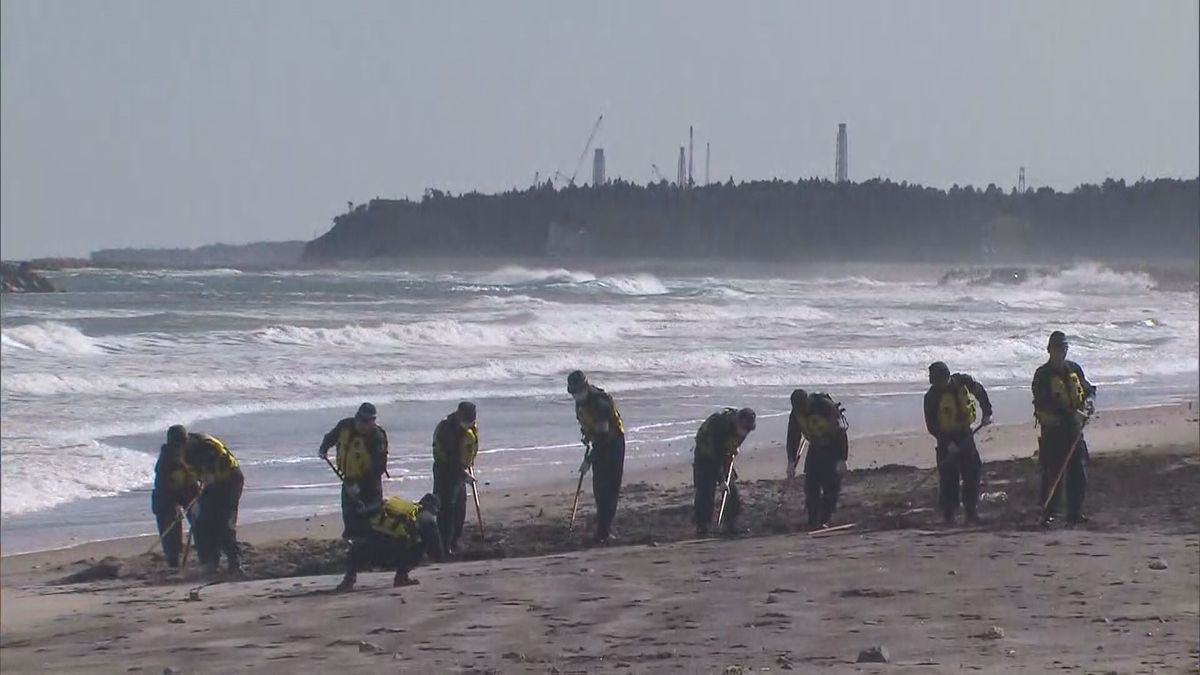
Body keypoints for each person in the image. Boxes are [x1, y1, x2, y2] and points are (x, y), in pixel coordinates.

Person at [1032, 331, 1096, 526]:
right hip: (1054, 431)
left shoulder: (1074, 369)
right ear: (1049, 350)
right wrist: (1070, 415)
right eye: (1058, 348)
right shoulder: (1042, 375)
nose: (1061, 352)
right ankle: (1048, 514)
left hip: (1074, 430)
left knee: (1079, 472)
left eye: (1064, 348)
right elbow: (1043, 402)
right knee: (1052, 473)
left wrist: (1089, 403)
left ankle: (1075, 513)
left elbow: (1088, 389)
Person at [924, 362, 994, 525]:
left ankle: (971, 512)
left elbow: (980, 392)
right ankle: (949, 515)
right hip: (945, 438)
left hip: (965, 434)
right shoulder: (931, 397)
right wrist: (947, 444)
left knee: (972, 472)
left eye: (939, 381)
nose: (937, 385)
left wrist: (987, 412)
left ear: (947, 377)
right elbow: (932, 425)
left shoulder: (964, 381)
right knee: (948, 478)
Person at [172, 425, 245, 576]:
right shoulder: (184, 453)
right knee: (202, 522)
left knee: (223, 522)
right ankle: (210, 562)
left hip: (230, 480)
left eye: (179, 445)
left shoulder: (206, 447)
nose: (178, 450)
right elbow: (196, 477)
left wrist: (202, 488)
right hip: (211, 483)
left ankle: (234, 563)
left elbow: (209, 475)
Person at [336, 493, 445, 591]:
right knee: (420, 544)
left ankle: (349, 579)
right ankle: (401, 577)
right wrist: (438, 557)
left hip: (368, 547)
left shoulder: (403, 508)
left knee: (363, 545)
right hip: (393, 553)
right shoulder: (427, 517)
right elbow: (436, 547)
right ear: (434, 509)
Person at [567, 370, 626, 544]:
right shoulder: (580, 403)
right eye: (572, 393)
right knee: (599, 489)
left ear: (585, 387)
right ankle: (602, 529)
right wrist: (586, 435)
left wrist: (588, 460)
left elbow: (603, 436)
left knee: (609, 490)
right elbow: (589, 426)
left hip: (613, 444)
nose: (575, 396)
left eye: (577, 391)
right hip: (600, 444)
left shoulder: (600, 403)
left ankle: (604, 531)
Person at [318, 403, 389, 540]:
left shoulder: (376, 438)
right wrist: (323, 449)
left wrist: (359, 486)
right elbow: (330, 437)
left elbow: (378, 467)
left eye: (369, 422)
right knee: (349, 514)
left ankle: (370, 544)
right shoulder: (345, 426)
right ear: (356, 418)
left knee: (369, 517)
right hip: (349, 478)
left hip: (370, 484)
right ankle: (351, 540)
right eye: (362, 421)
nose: (365, 425)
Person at [787, 389, 849, 530]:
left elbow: (840, 432)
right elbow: (793, 437)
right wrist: (791, 461)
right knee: (811, 487)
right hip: (815, 447)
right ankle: (813, 521)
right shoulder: (796, 413)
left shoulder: (822, 406)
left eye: (804, 407)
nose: (802, 411)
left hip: (833, 447)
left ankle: (824, 520)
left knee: (831, 487)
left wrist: (842, 459)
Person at [692, 407, 757, 536]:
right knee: (706, 490)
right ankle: (702, 526)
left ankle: (731, 523)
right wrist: (721, 480)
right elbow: (716, 454)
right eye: (744, 428)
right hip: (705, 454)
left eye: (748, 430)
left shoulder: (743, 429)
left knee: (731, 488)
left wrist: (732, 450)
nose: (745, 433)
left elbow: (728, 450)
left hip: (723, 454)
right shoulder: (720, 426)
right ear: (737, 421)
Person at [431, 401, 479, 556]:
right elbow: (450, 459)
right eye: (466, 420)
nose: (469, 423)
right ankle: (444, 546)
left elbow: (468, 448)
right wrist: (463, 475)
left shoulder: (469, 427)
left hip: (460, 472)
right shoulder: (447, 429)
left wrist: (466, 467)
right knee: (446, 509)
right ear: (459, 415)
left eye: (471, 420)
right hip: (444, 471)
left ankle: (455, 540)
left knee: (460, 506)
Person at [151, 427, 201, 568]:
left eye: (182, 442)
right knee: (168, 519)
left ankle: (207, 553)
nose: (180, 446)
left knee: (201, 519)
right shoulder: (165, 462)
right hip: (166, 493)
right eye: (177, 443)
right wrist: (175, 507)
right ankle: (173, 559)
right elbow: (163, 490)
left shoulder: (192, 452)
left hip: (188, 487)